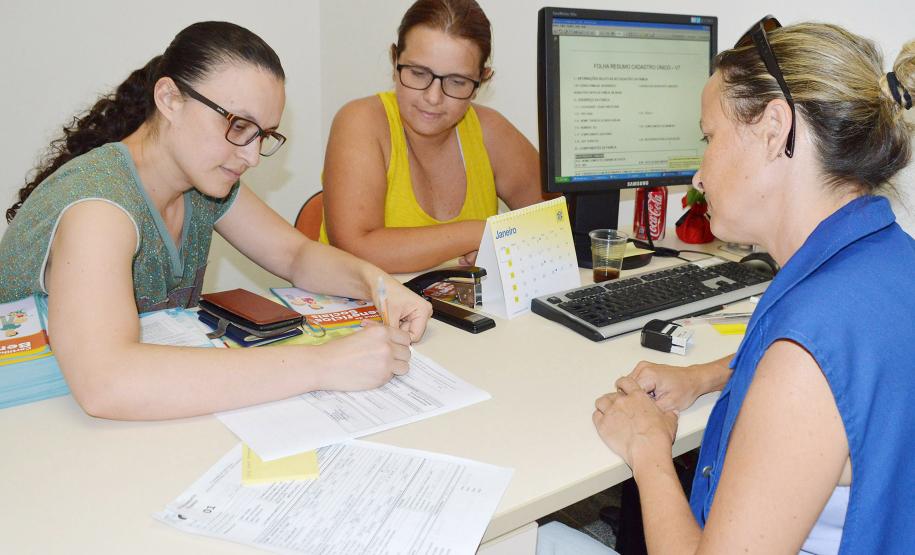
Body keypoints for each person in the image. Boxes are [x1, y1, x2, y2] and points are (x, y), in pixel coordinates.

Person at [585, 19, 915, 554]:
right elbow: (837, 382)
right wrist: (707, 376)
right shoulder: (888, 263)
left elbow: (805, 378)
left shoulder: (805, 353)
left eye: (709, 137)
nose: (698, 174)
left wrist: (648, 451)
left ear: (774, 129)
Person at [0, 21, 432, 421]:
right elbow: (107, 383)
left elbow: (296, 255)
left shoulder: (201, 180)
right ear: (169, 99)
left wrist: (379, 286)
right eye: (239, 125)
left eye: (263, 135)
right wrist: (325, 363)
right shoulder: (99, 209)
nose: (249, 155)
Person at [319, 0, 546, 273]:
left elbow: (555, 222)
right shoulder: (361, 121)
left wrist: (507, 246)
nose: (433, 97)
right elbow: (355, 247)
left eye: (457, 82)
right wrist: (481, 234)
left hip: (458, 314)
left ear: (481, 81)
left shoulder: (491, 132)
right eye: (418, 73)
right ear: (395, 61)